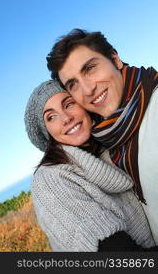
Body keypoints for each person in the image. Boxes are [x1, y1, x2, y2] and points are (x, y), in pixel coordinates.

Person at [46, 29, 158, 244]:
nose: (87, 90)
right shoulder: (109, 138)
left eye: (90, 69)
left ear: (115, 59)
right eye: (73, 84)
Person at [24, 79, 156, 252]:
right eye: (51, 117)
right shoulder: (50, 179)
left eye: (69, 104)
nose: (66, 118)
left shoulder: (113, 151)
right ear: (47, 133)